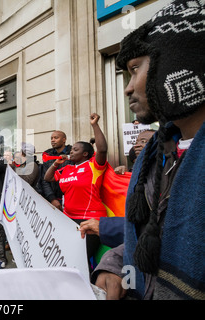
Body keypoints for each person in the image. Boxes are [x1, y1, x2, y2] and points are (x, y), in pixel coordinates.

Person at [93, 0, 205, 300]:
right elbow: (152, 237)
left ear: (176, 64)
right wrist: (117, 264)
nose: (128, 88)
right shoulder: (156, 154)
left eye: (134, 69)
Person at [44, 113, 108, 273]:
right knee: (68, 257)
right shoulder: (66, 168)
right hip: (68, 219)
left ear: (85, 154)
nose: (71, 152)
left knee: (81, 260)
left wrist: (94, 125)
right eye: (71, 150)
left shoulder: (93, 166)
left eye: (75, 150)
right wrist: (55, 164)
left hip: (90, 220)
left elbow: (102, 149)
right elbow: (48, 178)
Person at [39, 130, 72, 211]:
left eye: (56, 138)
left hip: (70, 199)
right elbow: (44, 179)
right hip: (53, 199)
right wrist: (52, 198)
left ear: (64, 139)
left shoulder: (72, 153)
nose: (52, 140)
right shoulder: (47, 155)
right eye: (51, 138)